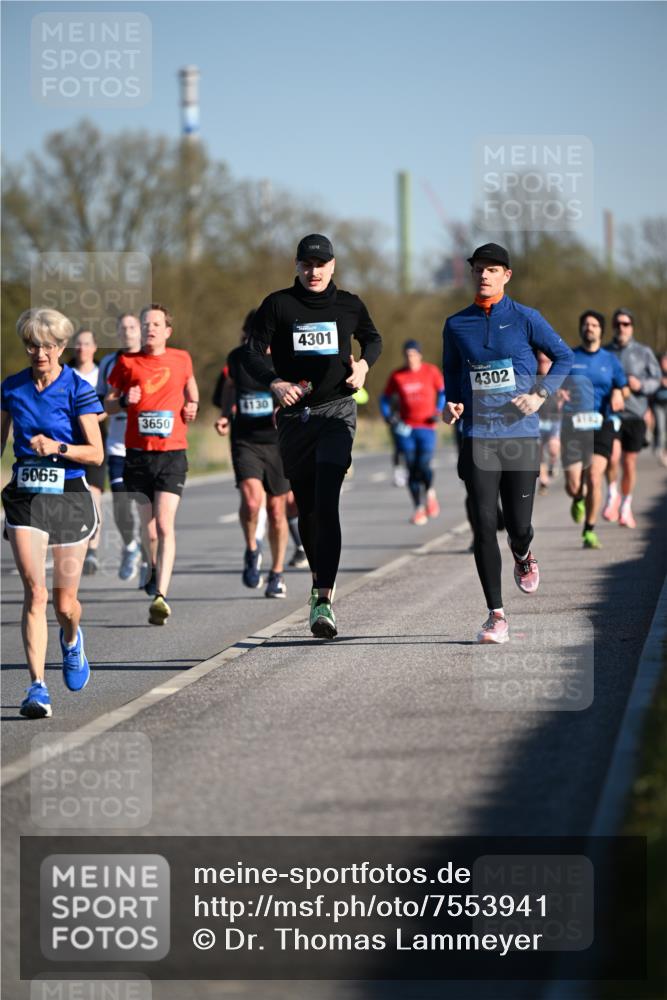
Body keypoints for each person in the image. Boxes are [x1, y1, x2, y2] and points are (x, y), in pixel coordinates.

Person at [244, 233, 382, 639]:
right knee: (306, 508)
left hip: (337, 411)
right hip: (293, 417)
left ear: (333, 266)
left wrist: (364, 368)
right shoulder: (278, 304)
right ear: (297, 265)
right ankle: (317, 584)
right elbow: (251, 352)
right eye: (306, 264)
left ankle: (324, 598)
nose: (313, 271)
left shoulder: (349, 304)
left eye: (321, 264)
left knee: (327, 499)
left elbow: (372, 339)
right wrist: (274, 382)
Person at [442, 243, 573, 644]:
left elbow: (564, 357)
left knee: (518, 526)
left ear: (506, 275)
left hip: (520, 435)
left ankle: (522, 552)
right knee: (483, 524)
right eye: (479, 268)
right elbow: (451, 373)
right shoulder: (456, 324)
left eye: (492, 269)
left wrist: (539, 395)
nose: (484, 275)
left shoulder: (526, 318)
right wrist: (452, 403)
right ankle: (495, 616)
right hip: (478, 435)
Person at [1, 308, 104, 718]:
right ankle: (37, 687)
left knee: (64, 604)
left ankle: (72, 637)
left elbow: (95, 452)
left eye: (47, 345)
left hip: (69, 495)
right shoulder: (11, 388)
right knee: (35, 593)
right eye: (32, 344)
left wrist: (58, 447)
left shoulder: (77, 389)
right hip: (25, 496)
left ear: (61, 347)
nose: (39, 352)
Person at [105, 303, 199, 625]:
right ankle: (152, 563)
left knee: (163, 524)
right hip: (138, 454)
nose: (150, 329)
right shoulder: (126, 362)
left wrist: (193, 406)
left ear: (167, 330)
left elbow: (191, 389)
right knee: (148, 529)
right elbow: (108, 402)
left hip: (172, 453)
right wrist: (121, 401)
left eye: (156, 324)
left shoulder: (181, 358)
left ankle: (161, 595)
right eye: (146, 324)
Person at [215, 309, 291, 598]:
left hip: (278, 442)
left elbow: (305, 386)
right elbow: (230, 388)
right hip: (245, 440)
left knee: (276, 511)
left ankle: (277, 572)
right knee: (251, 500)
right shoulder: (238, 357)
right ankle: (251, 549)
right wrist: (225, 414)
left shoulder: (287, 358)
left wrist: (286, 406)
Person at [559, 311, 628, 549]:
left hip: (601, 424)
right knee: (573, 485)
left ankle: (589, 530)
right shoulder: (568, 357)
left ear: (601, 330)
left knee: (594, 476)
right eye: (586, 324)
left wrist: (620, 393)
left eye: (595, 325)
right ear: (581, 329)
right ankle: (578, 497)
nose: (590, 328)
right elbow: (553, 384)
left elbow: (623, 387)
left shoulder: (610, 360)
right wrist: (558, 393)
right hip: (573, 425)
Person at [602, 309, 661, 527]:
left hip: (636, 413)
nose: (621, 328)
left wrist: (642, 385)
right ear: (613, 327)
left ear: (632, 327)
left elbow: (657, 380)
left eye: (626, 324)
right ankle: (612, 495)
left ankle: (626, 505)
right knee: (612, 456)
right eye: (618, 324)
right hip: (611, 413)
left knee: (629, 462)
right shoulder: (605, 351)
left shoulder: (643, 352)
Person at [96, 314, 144, 581]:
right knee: (120, 503)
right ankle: (130, 546)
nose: (127, 332)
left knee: (144, 506)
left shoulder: (151, 359)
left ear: (140, 330)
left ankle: (149, 555)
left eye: (132, 327)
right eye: (122, 328)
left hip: (147, 446)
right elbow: (102, 403)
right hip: (117, 444)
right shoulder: (108, 363)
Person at [380, 339, 445, 524]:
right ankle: (418, 508)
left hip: (426, 426)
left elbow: (443, 392)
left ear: (419, 355)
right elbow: (384, 398)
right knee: (410, 467)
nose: (410, 358)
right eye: (407, 355)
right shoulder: (397, 376)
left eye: (413, 354)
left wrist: (438, 410)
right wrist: (388, 415)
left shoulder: (431, 371)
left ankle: (430, 493)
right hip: (406, 428)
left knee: (423, 464)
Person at [70, 329, 107, 575]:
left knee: (93, 495)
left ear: (94, 348)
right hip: (68, 441)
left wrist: (89, 419)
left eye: (87, 344)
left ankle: (92, 550)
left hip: (95, 441)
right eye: (78, 344)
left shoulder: (101, 374)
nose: (82, 348)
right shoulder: (64, 372)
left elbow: (110, 404)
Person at [536, 350, 562, 494]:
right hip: (539, 419)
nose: (542, 364)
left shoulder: (557, 378)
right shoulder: (534, 377)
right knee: (539, 452)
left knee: (553, 448)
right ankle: (543, 481)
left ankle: (554, 461)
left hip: (554, 419)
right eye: (540, 361)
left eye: (545, 361)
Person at [651, 351, 667, 467]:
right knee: (660, 427)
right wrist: (659, 382)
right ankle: (659, 449)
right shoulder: (656, 373)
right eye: (663, 360)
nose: (664, 363)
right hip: (658, 404)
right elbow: (650, 387)